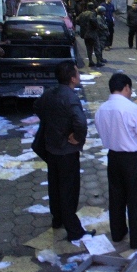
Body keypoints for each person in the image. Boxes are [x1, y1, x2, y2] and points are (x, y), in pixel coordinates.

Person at [33, 61, 94, 241]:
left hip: (51, 148)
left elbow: (37, 107)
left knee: (55, 186)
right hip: (66, 151)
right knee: (68, 190)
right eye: (77, 73)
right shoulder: (71, 98)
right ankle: (74, 230)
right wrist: (77, 137)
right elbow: (81, 123)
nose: (79, 75)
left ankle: (57, 219)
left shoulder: (50, 93)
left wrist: (52, 124)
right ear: (72, 78)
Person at [95, 73, 137, 249]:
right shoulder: (131, 108)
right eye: (130, 89)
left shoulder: (102, 109)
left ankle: (118, 232)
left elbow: (101, 131)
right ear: (126, 87)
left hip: (113, 157)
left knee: (116, 196)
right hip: (132, 159)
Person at [76, 3, 104, 68]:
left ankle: (90, 61)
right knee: (97, 47)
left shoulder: (82, 14)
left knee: (89, 48)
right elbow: (93, 20)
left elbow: (77, 20)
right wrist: (96, 26)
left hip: (85, 33)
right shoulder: (92, 14)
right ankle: (98, 61)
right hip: (92, 32)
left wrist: (82, 26)